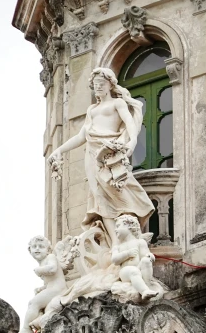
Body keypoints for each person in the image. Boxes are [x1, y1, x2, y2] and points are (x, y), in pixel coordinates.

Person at [47, 68, 154, 247]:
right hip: (92, 154)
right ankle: (115, 244)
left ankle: (131, 230)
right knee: (99, 197)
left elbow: (130, 124)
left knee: (120, 190)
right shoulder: (92, 109)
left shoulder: (117, 103)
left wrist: (132, 142)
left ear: (110, 84)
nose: (98, 87)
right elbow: (81, 136)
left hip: (109, 152)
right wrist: (59, 150)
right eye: (95, 85)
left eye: (101, 84)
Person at [111, 215, 157, 300]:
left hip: (139, 268)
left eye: (118, 226)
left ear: (129, 226)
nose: (115, 230)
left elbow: (145, 254)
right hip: (125, 272)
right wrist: (127, 254)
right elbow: (114, 260)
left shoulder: (140, 242)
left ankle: (147, 285)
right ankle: (144, 291)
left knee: (146, 261)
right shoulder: (117, 247)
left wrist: (150, 256)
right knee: (133, 270)